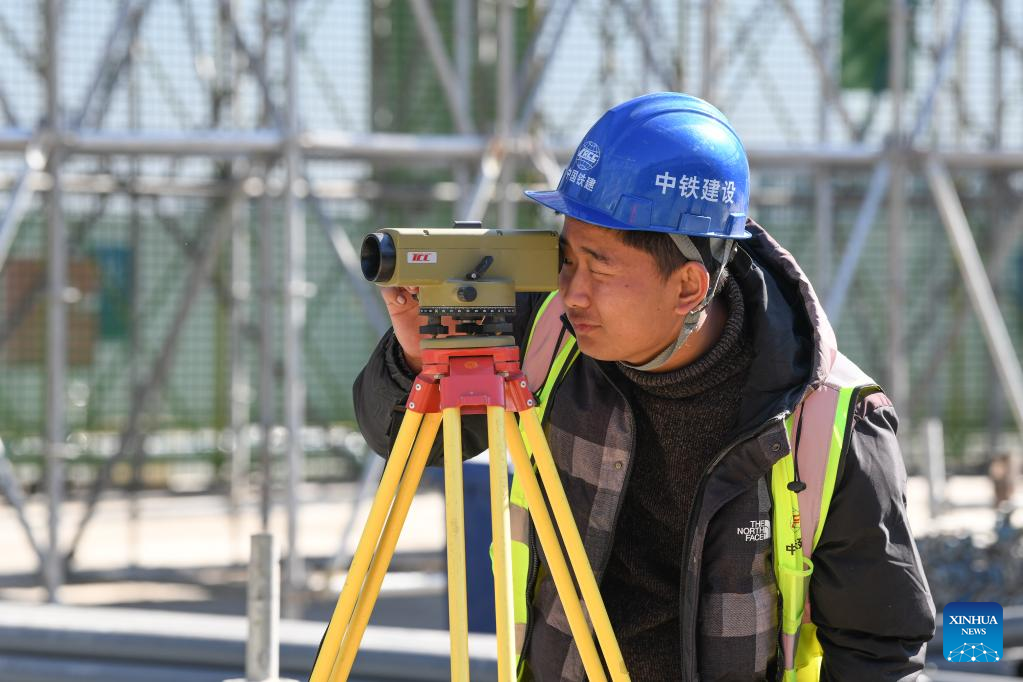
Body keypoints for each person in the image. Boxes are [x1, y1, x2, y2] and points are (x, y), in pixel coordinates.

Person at [353, 92, 935, 681]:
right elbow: (405, 439)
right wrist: (417, 358)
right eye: (566, 258)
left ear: (687, 287)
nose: (572, 292)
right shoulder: (546, 330)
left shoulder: (830, 416)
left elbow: (878, 649)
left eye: (600, 266)